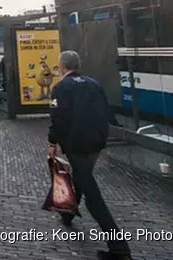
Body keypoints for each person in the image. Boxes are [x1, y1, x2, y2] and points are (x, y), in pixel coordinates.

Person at [47, 50, 132, 260]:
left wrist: (52, 142)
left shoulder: (60, 88)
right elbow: (107, 112)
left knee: (92, 195)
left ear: (62, 66)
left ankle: (120, 249)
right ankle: (67, 214)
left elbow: (59, 119)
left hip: (76, 144)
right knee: (82, 177)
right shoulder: (94, 84)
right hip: (96, 143)